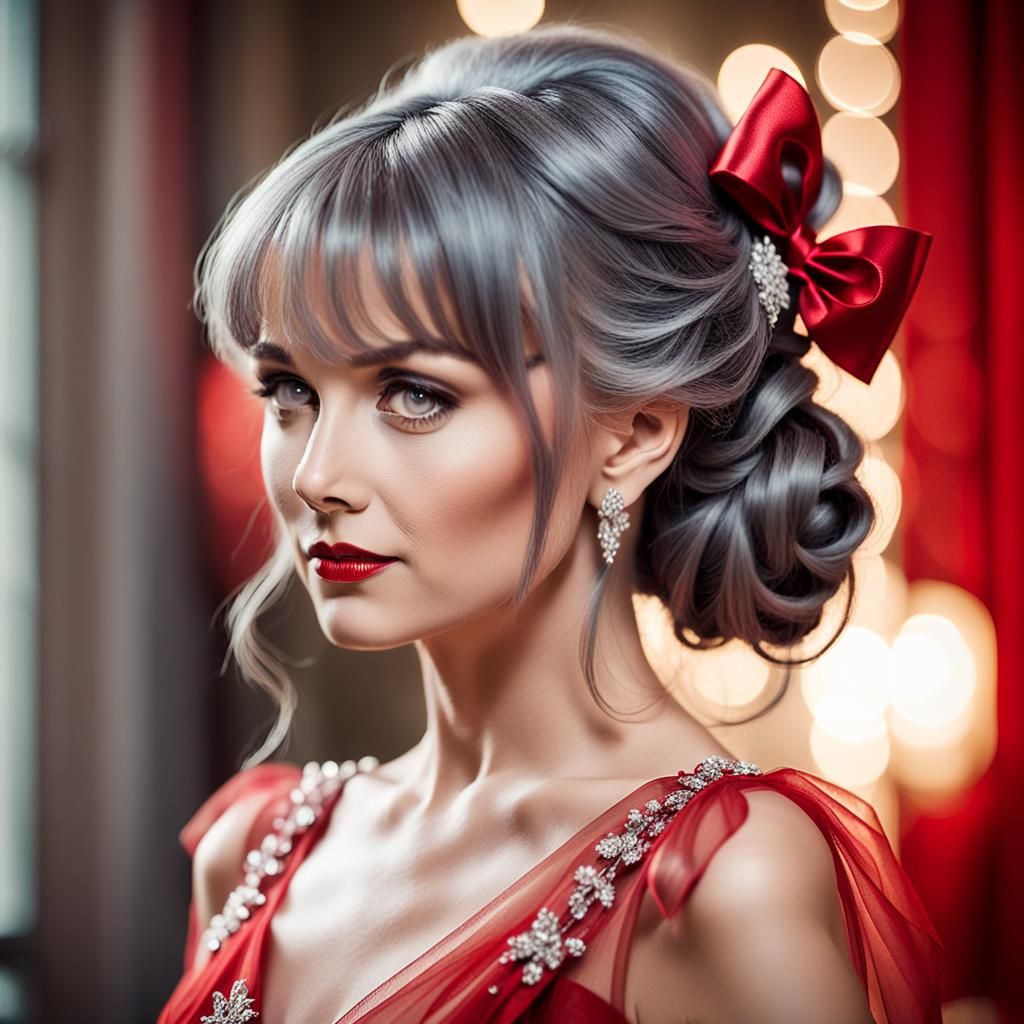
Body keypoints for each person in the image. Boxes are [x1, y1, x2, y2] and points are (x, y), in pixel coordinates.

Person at [157, 22, 944, 1024]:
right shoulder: (254, 852)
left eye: (414, 394)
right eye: (288, 391)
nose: (316, 476)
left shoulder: (715, 886)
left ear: (633, 434)